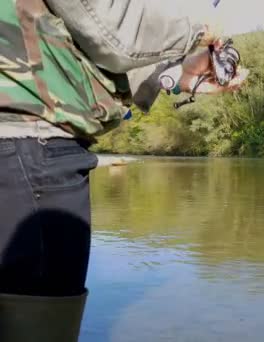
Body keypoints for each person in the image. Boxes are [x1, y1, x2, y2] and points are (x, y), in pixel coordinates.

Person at [0, 0, 247, 341]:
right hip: (30, 150)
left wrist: (172, 75)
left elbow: (73, 34)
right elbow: (106, 25)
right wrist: (200, 25)